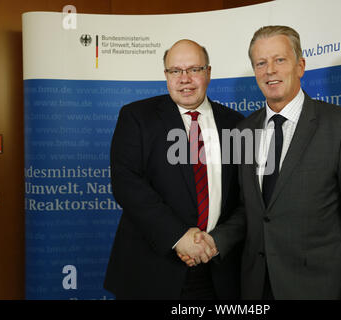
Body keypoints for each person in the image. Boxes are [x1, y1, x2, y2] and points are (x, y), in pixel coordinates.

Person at [183, 25, 341, 300]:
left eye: (279, 60)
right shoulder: (244, 130)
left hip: (317, 290)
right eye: (261, 63)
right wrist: (215, 241)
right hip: (255, 287)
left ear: (300, 65)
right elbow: (249, 211)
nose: (270, 70)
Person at [104, 39, 244, 299]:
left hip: (217, 271)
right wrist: (179, 237)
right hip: (152, 269)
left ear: (208, 73)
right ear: (166, 75)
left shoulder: (237, 124)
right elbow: (126, 184)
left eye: (194, 69)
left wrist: (214, 243)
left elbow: (246, 199)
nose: (185, 79)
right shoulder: (136, 117)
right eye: (175, 71)